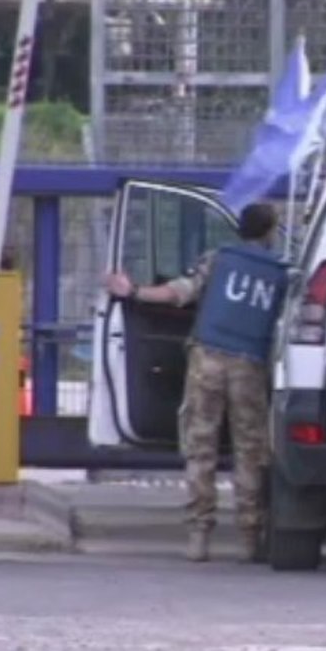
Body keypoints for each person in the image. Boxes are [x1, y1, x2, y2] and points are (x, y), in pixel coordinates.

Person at [105, 203, 288, 563]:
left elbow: (178, 293)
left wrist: (133, 291)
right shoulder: (281, 274)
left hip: (207, 358)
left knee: (200, 446)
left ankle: (198, 535)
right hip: (250, 364)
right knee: (249, 452)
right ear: (270, 231)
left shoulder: (217, 260)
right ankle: (251, 536)